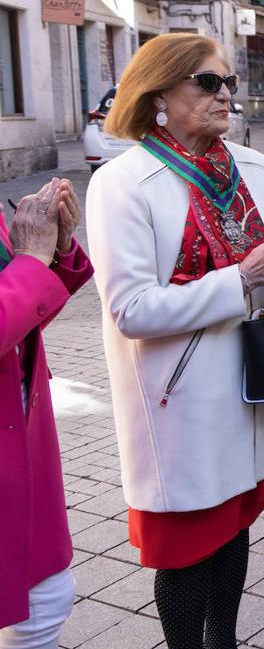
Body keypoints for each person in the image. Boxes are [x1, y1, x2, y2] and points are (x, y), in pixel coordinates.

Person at [86, 34, 264, 649]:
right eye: (208, 82)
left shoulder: (252, 167)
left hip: (252, 381)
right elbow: (130, 310)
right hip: (179, 398)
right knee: (186, 547)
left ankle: (223, 641)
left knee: (234, 526)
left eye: (228, 81)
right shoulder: (124, 183)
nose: (225, 93)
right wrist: (245, 274)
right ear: (158, 96)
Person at [0, 179, 91, 649]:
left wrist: (52, 250)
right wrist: (31, 262)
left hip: (22, 438)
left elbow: (22, 318)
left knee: (47, 599)